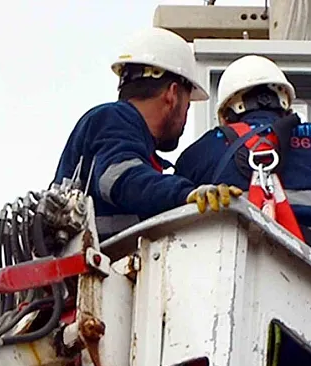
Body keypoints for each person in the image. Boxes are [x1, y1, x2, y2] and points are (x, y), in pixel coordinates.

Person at [174, 55, 311, 280]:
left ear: (225, 116)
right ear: (286, 106)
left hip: (230, 275)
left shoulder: (199, 153)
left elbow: (180, 234)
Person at [51, 27, 242, 240]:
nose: (185, 119)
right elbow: (121, 179)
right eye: (187, 106)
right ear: (173, 94)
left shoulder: (128, 137)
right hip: (94, 269)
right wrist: (184, 193)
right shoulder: (113, 118)